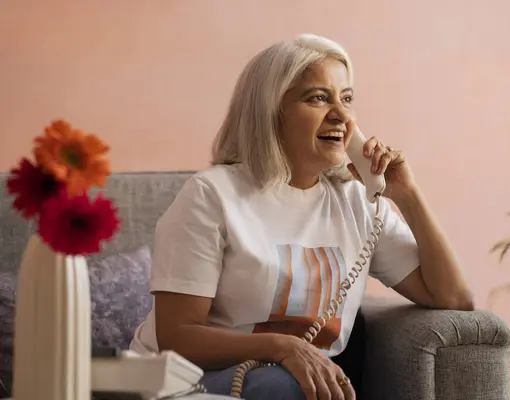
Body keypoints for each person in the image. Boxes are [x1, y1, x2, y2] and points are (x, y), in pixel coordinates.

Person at [130, 33, 474, 400]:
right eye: (318, 98)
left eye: (347, 98)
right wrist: (283, 347)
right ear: (271, 111)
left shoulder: (359, 203)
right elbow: (177, 336)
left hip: (295, 385)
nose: (342, 115)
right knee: (287, 386)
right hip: (185, 382)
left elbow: (454, 298)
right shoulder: (212, 194)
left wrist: (406, 195)